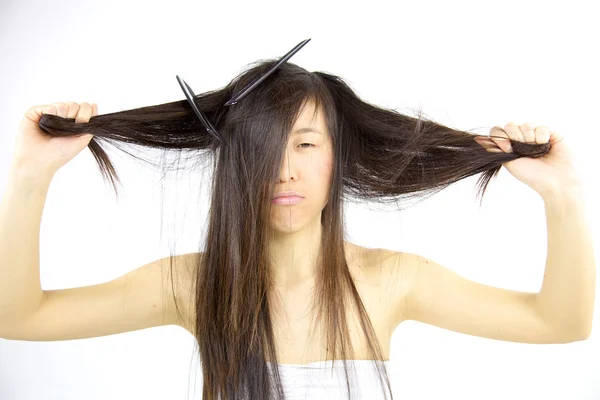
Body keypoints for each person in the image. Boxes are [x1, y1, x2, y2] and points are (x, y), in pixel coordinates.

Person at [0, 58, 593, 400]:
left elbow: (561, 324)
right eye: (261, 148)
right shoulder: (193, 284)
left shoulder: (392, 280)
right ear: (235, 162)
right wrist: (30, 177)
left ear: (335, 156)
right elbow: (18, 318)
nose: (284, 169)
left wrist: (563, 198)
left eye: (306, 144)